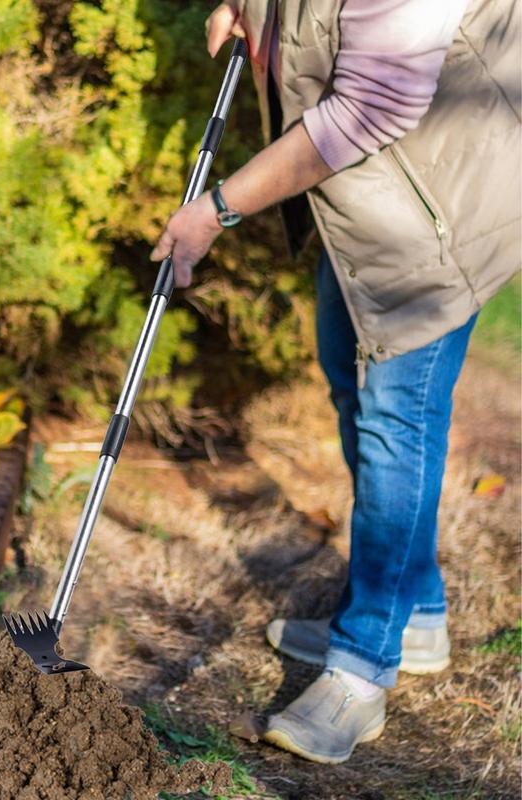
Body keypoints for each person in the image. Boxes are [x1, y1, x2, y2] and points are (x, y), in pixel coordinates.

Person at [150, 0, 520, 764]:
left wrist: (215, 211)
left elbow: (368, 109)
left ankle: (361, 666)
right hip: (370, 198)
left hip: (439, 208)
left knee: (395, 419)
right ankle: (415, 614)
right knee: (350, 387)